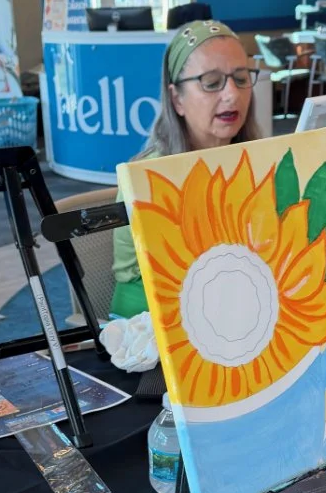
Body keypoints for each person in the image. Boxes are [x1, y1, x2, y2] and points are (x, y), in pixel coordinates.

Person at [110, 19, 263, 317]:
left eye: (241, 78)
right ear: (177, 98)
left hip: (229, 311)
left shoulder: (255, 159)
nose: (232, 94)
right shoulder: (151, 176)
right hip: (150, 324)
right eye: (212, 82)